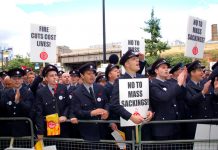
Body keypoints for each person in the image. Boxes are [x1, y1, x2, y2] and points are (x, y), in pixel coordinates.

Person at [110, 50, 153, 140]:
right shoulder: (120, 81)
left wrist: (150, 110)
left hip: (145, 125)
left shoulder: (143, 79)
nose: (137, 61)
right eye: (134, 59)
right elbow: (114, 104)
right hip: (129, 126)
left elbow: (149, 99)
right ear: (127, 64)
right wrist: (131, 117)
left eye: (137, 59)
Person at [69, 63, 109, 141]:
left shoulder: (100, 88)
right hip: (87, 133)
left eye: (94, 73)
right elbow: (77, 111)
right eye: (89, 73)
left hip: (103, 131)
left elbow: (107, 103)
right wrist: (91, 113)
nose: (92, 76)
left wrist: (107, 111)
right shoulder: (77, 92)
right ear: (82, 75)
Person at [149, 58, 187, 141]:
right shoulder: (153, 84)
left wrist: (183, 81)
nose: (166, 69)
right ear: (156, 71)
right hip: (162, 128)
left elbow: (181, 96)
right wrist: (178, 83)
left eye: (167, 67)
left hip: (174, 126)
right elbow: (164, 97)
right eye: (163, 67)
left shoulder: (169, 83)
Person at [34, 64, 73, 140]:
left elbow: (69, 104)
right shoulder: (40, 92)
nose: (55, 77)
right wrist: (40, 132)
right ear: (46, 78)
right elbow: (39, 113)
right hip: (49, 129)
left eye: (56, 75)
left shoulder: (63, 88)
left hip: (64, 128)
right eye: (51, 76)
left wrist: (65, 115)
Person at [186, 60, 218, 139]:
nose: (202, 72)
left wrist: (216, 92)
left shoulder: (206, 83)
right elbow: (190, 102)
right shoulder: (187, 87)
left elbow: (213, 100)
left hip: (210, 122)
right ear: (192, 73)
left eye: (202, 70)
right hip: (197, 124)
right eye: (199, 70)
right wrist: (203, 92)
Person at [0, 68, 34, 137]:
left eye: (19, 78)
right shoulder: (4, 93)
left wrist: (19, 102)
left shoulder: (28, 93)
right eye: (14, 78)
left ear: (22, 80)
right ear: (10, 79)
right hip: (7, 131)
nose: (17, 80)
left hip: (23, 131)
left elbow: (30, 109)